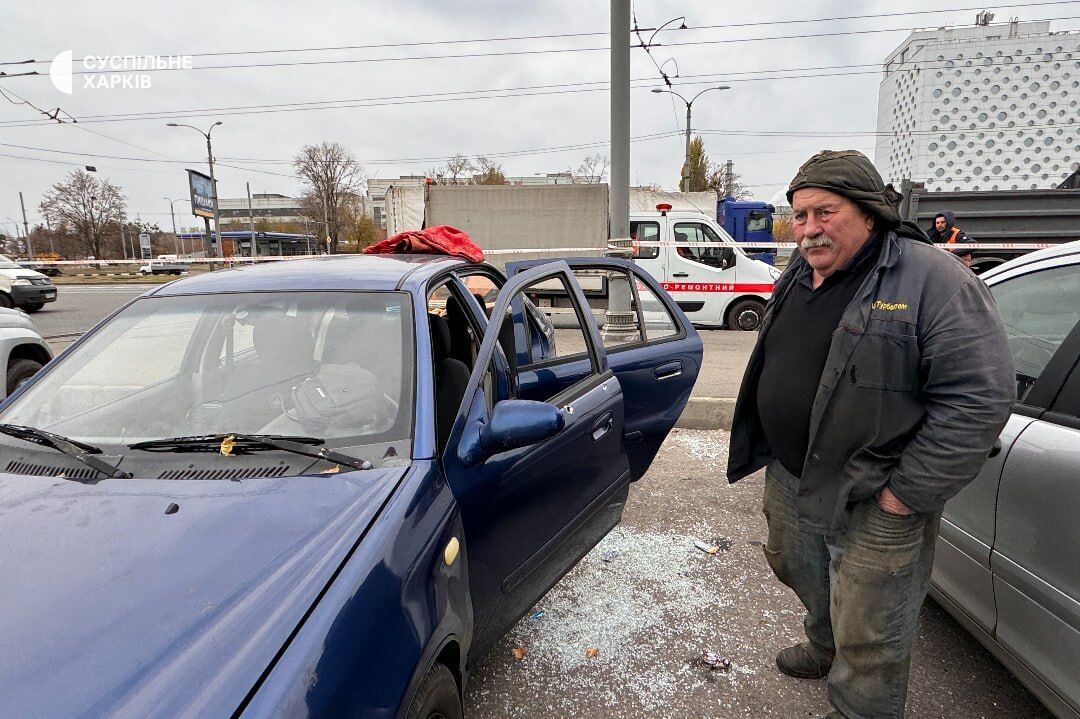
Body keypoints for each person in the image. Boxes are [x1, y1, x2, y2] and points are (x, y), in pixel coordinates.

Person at [727, 150, 1015, 719]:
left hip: (876, 488)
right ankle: (824, 645)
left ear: (868, 212)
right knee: (797, 565)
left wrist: (905, 494)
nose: (808, 229)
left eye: (823, 212)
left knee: (873, 622)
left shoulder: (934, 279)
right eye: (800, 215)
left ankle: (860, 704)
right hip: (794, 472)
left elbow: (979, 398)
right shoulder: (800, 269)